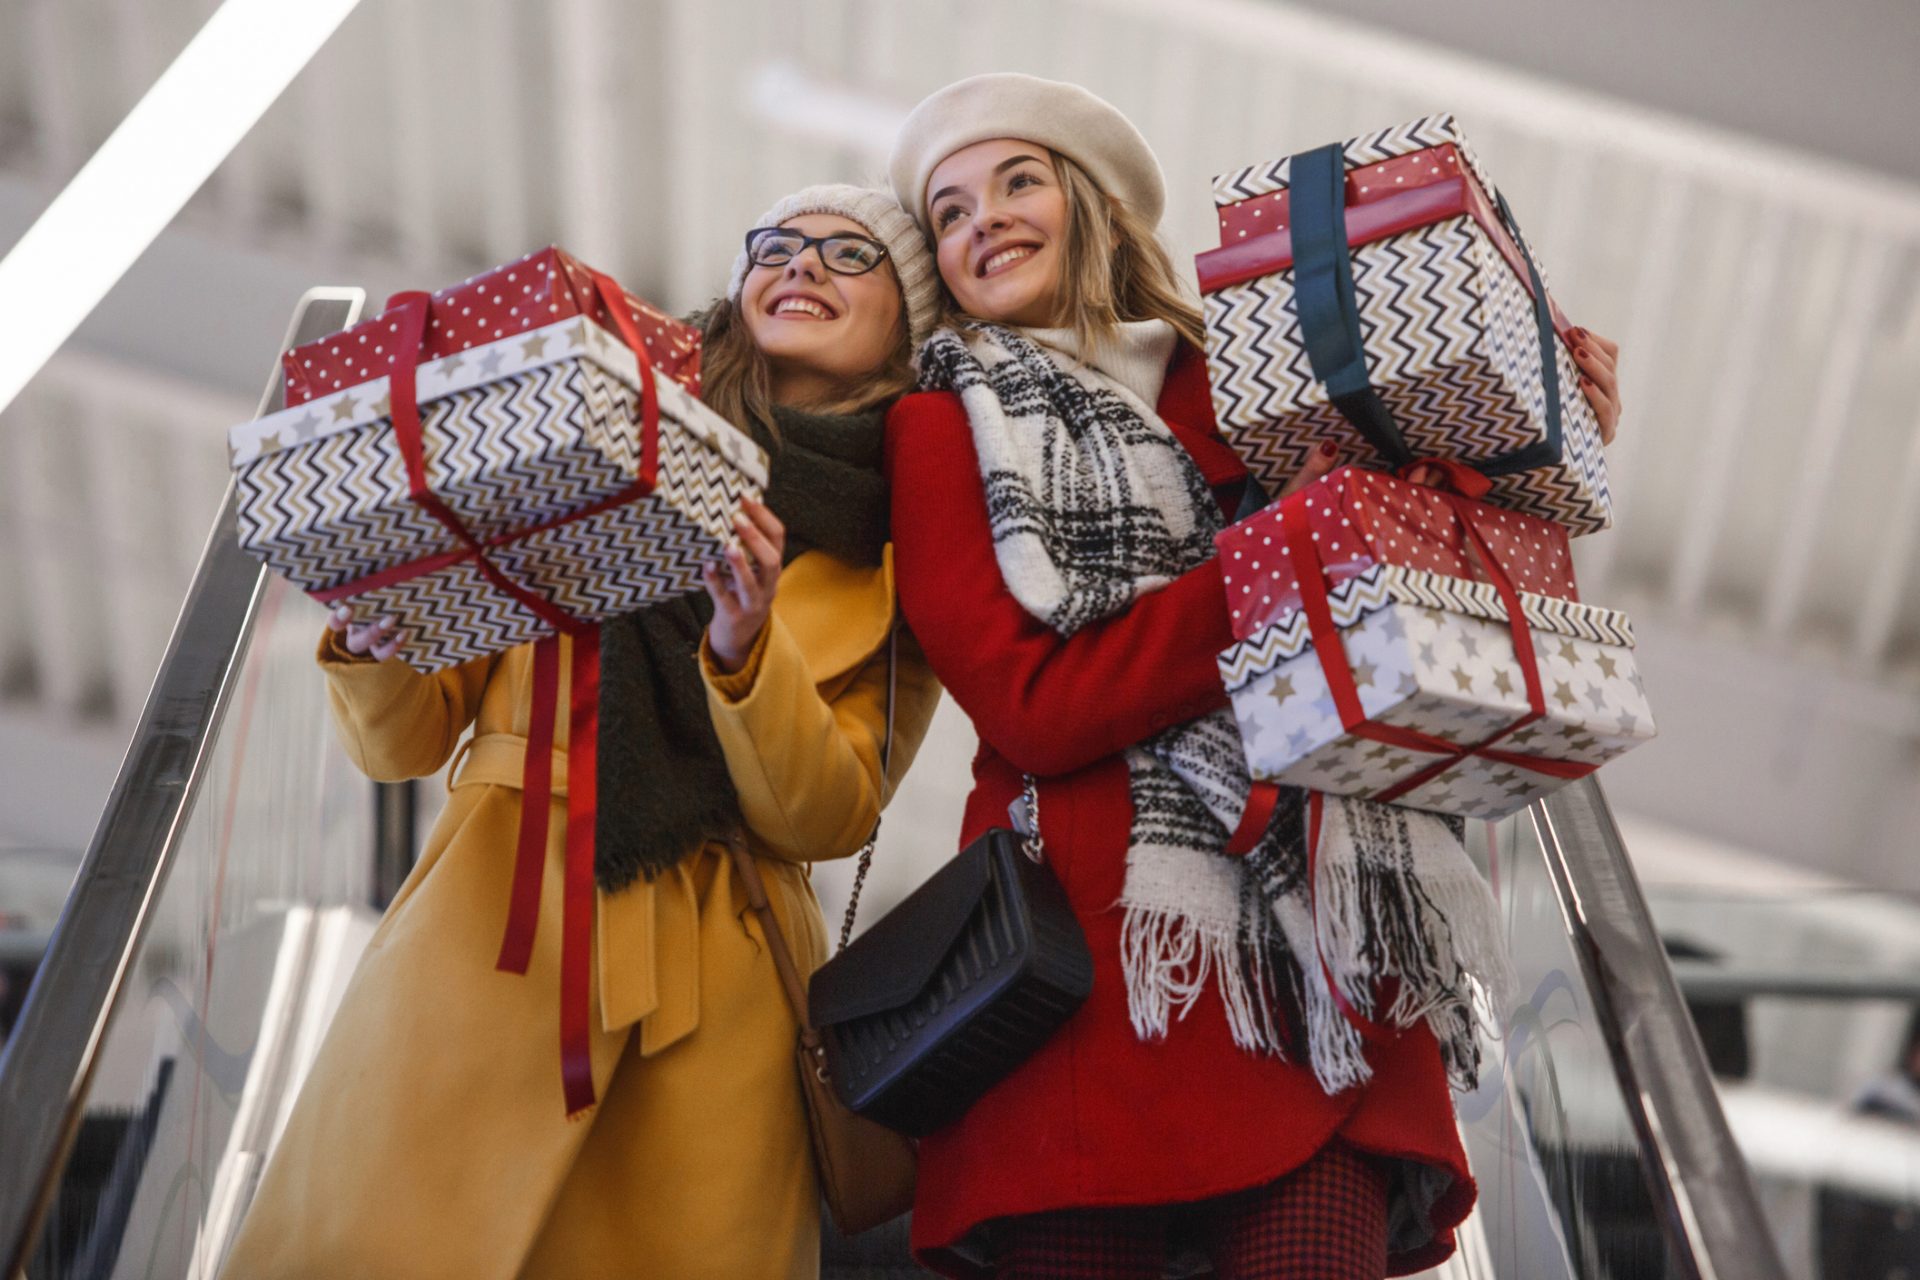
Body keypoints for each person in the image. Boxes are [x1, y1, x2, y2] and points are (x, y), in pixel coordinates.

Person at [882, 73, 1622, 1279]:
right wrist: (1276, 564)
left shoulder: (1262, 375)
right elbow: (1036, 706)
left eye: (1017, 182)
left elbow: (1421, 567)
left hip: (1321, 969)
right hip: (1094, 976)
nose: (983, 223)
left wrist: (1545, 431)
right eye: (950, 211)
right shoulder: (941, 424)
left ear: (1094, 204)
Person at [221, 184, 943, 1280]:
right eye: (778, 245)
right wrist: (377, 638)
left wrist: (749, 646)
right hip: (493, 937)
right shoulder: (596, 418)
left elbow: (828, 812)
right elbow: (404, 746)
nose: (802, 266)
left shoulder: (904, 547)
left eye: (853, 256)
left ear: (910, 323)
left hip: (721, 1002)